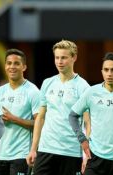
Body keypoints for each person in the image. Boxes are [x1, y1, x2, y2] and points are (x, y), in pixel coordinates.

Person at [26, 40, 91, 175]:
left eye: (64, 57)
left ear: (74, 58)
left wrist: (87, 155)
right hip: (46, 149)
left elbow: (88, 122)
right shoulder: (47, 83)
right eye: (57, 57)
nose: (59, 61)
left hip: (71, 151)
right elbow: (40, 118)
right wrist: (33, 149)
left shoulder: (83, 86)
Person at [0, 49, 40, 175]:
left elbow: (40, 123)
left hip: (22, 154)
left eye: (16, 63)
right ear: (5, 66)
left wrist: (14, 119)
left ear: (24, 67)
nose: (12, 67)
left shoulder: (33, 91)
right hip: (2, 154)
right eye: (9, 63)